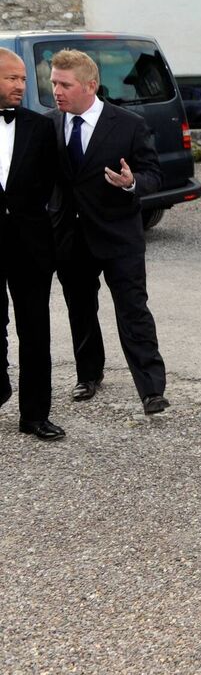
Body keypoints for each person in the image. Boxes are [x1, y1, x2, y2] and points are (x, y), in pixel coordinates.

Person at [48, 49, 169, 415]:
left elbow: (154, 175)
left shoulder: (128, 125)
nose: (56, 91)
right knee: (80, 310)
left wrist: (133, 182)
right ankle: (89, 375)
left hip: (118, 237)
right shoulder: (50, 124)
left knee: (133, 310)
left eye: (64, 84)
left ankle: (151, 389)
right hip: (70, 238)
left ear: (91, 85)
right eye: (53, 82)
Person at [0, 49, 61, 439]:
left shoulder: (39, 128)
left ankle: (35, 415)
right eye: (12, 78)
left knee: (36, 331)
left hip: (31, 246)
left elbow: (52, 184)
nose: (21, 85)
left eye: (24, 79)